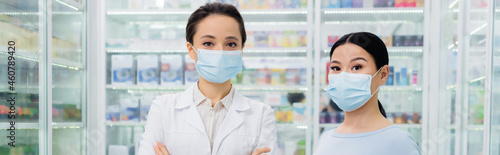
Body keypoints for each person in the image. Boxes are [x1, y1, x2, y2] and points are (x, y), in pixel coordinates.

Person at [138, 2, 277, 155]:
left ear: (241, 51)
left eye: (231, 44)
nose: (220, 52)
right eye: (208, 43)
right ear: (191, 50)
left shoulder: (262, 115)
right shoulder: (163, 108)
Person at [314, 32, 421, 155]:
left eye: (357, 67)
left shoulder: (399, 143)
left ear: (383, 74)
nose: (343, 75)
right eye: (336, 68)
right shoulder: (326, 139)